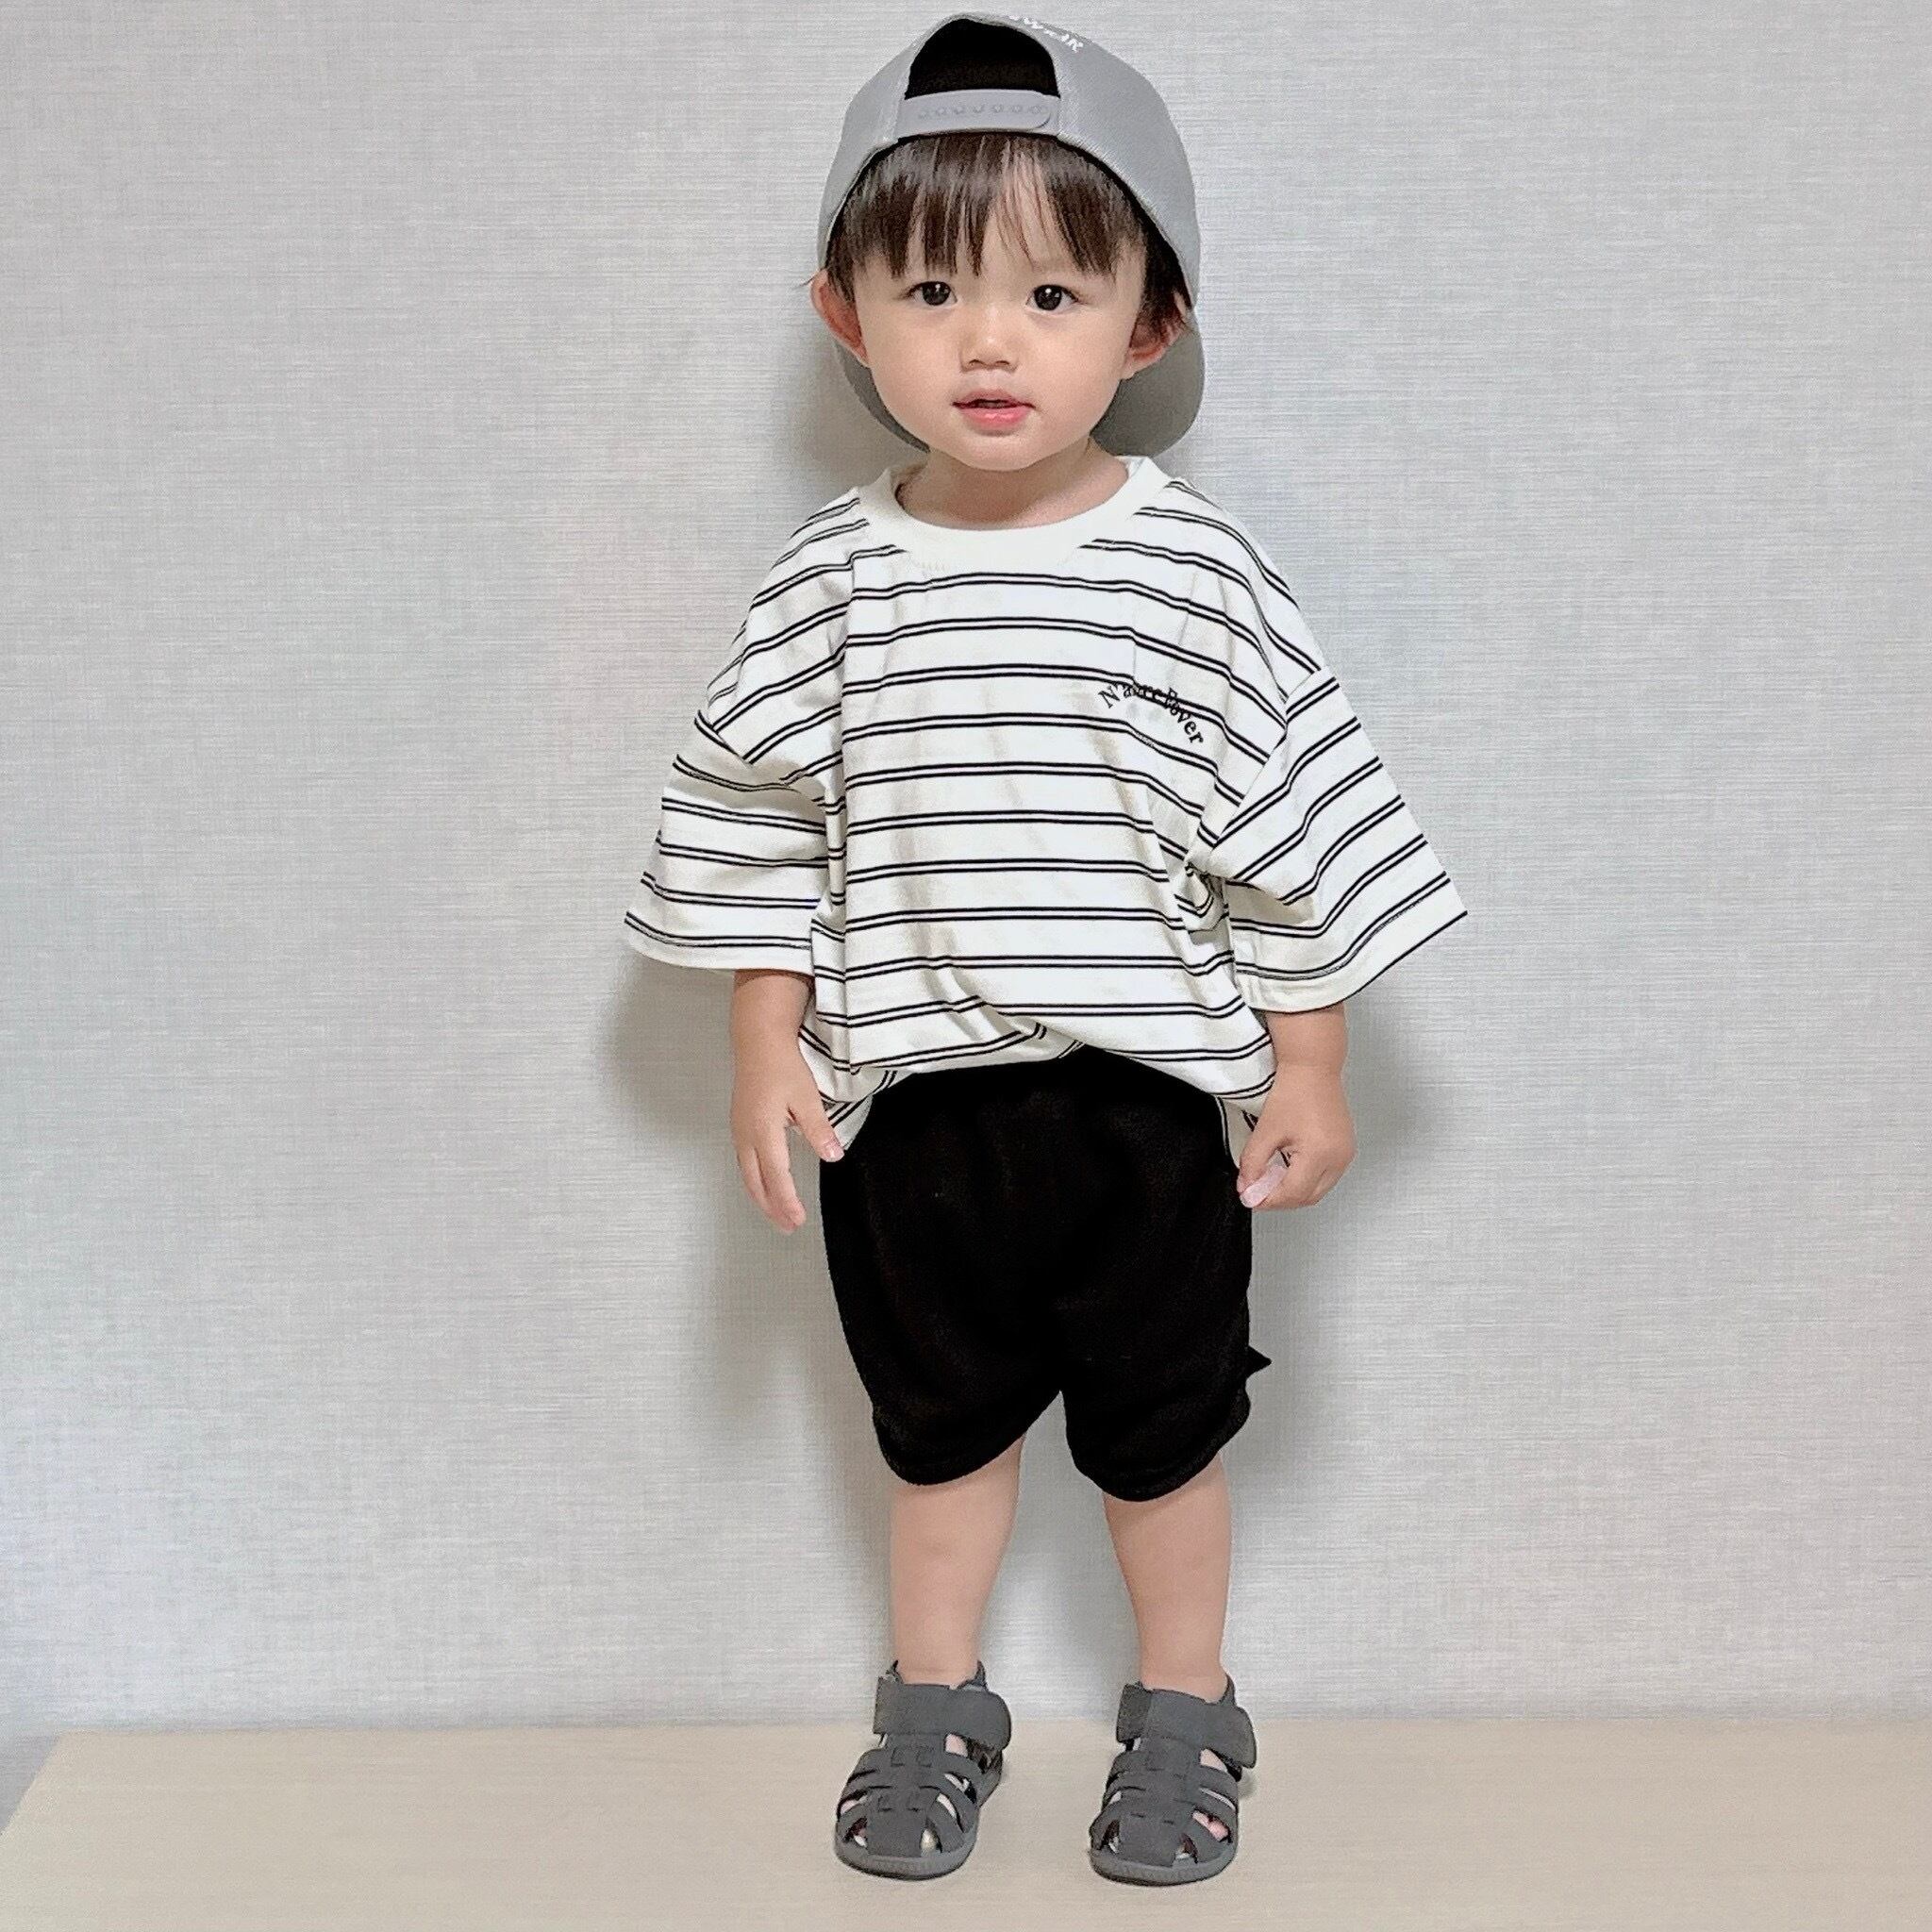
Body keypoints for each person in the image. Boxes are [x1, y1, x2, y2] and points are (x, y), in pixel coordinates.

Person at [622, 12, 1468, 1887]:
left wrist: (1311, 1061)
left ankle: (1186, 1712)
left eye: (1053, 293)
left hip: (1146, 1110)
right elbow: (764, 822)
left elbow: (1289, 824)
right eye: (931, 289)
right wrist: (765, 1043)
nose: (988, 342)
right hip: (913, 1107)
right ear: (845, 315)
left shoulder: (1194, 573)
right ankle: (935, 1707)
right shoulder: (829, 580)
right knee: (936, 1443)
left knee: (1161, 1442)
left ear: (1148, 324)